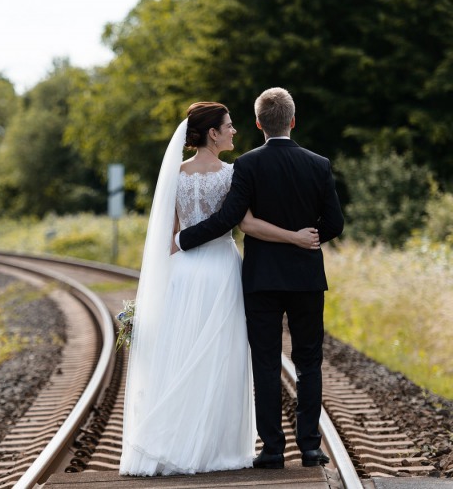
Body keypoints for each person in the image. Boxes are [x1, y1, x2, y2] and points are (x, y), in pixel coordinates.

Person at [119, 101, 320, 476]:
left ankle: (174, 442)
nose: (234, 131)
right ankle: (214, 448)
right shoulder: (232, 173)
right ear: (213, 133)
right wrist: (295, 237)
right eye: (228, 126)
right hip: (222, 270)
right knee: (221, 359)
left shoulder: (174, 174)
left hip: (183, 272)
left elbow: (171, 236)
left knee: (182, 354)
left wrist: (178, 251)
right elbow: (245, 224)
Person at [176, 88, 344, 469]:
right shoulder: (319, 164)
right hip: (306, 279)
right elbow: (335, 222)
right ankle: (310, 448)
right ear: (293, 121)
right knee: (309, 362)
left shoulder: (247, 165)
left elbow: (231, 218)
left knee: (265, 362)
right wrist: (310, 238)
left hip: (262, 279)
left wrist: (183, 239)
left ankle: (272, 450)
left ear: (258, 123)